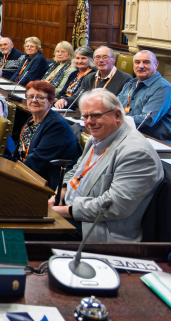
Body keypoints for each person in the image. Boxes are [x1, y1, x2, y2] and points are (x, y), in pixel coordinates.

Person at [51, 89, 163, 242]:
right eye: (85, 116)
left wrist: (65, 210)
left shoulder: (136, 152)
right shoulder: (98, 137)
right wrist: (61, 192)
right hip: (74, 211)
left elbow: (115, 206)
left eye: (96, 115)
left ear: (117, 115)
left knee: (25, 229)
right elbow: (78, 169)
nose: (89, 122)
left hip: (97, 230)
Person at [17, 81, 80, 189]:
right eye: (30, 96)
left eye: (40, 97)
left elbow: (38, 161)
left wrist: (12, 172)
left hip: (45, 182)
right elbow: (18, 150)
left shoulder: (57, 126)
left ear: (50, 102)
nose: (34, 100)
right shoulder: (31, 120)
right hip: (26, 173)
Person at [117, 50, 171, 145]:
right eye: (137, 62)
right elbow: (114, 107)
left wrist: (113, 121)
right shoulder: (129, 84)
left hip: (158, 143)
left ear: (156, 65)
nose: (140, 66)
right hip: (130, 136)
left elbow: (146, 120)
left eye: (146, 62)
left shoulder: (163, 88)